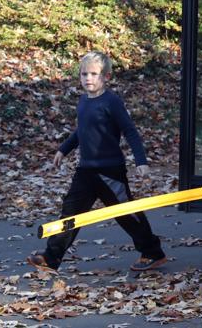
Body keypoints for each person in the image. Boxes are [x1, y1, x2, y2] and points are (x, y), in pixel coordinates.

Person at [26, 52, 167, 274]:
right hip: (85, 170)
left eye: (93, 74)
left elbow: (130, 131)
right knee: (71, 214)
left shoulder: (112, 102)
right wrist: (63, 149)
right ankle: (50, 258)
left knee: (127, 214)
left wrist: (141, 161)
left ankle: (153, 252)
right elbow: (81, 131)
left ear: (106, 76)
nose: (88, 78)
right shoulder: (84, 101)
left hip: (110, 171)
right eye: (84, 74)